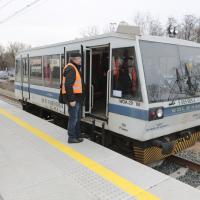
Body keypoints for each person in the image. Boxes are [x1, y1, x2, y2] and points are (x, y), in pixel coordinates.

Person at [61, 52, 85, 143]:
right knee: (73, 118)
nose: (81, 60)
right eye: (79, 59)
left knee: (77, 118)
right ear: (74, 59)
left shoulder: (74, 67)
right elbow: (68, 85)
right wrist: (71, 99)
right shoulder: (71, 68)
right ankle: (71, 137)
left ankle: (77, 135)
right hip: (73, 98)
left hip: (77, 98)